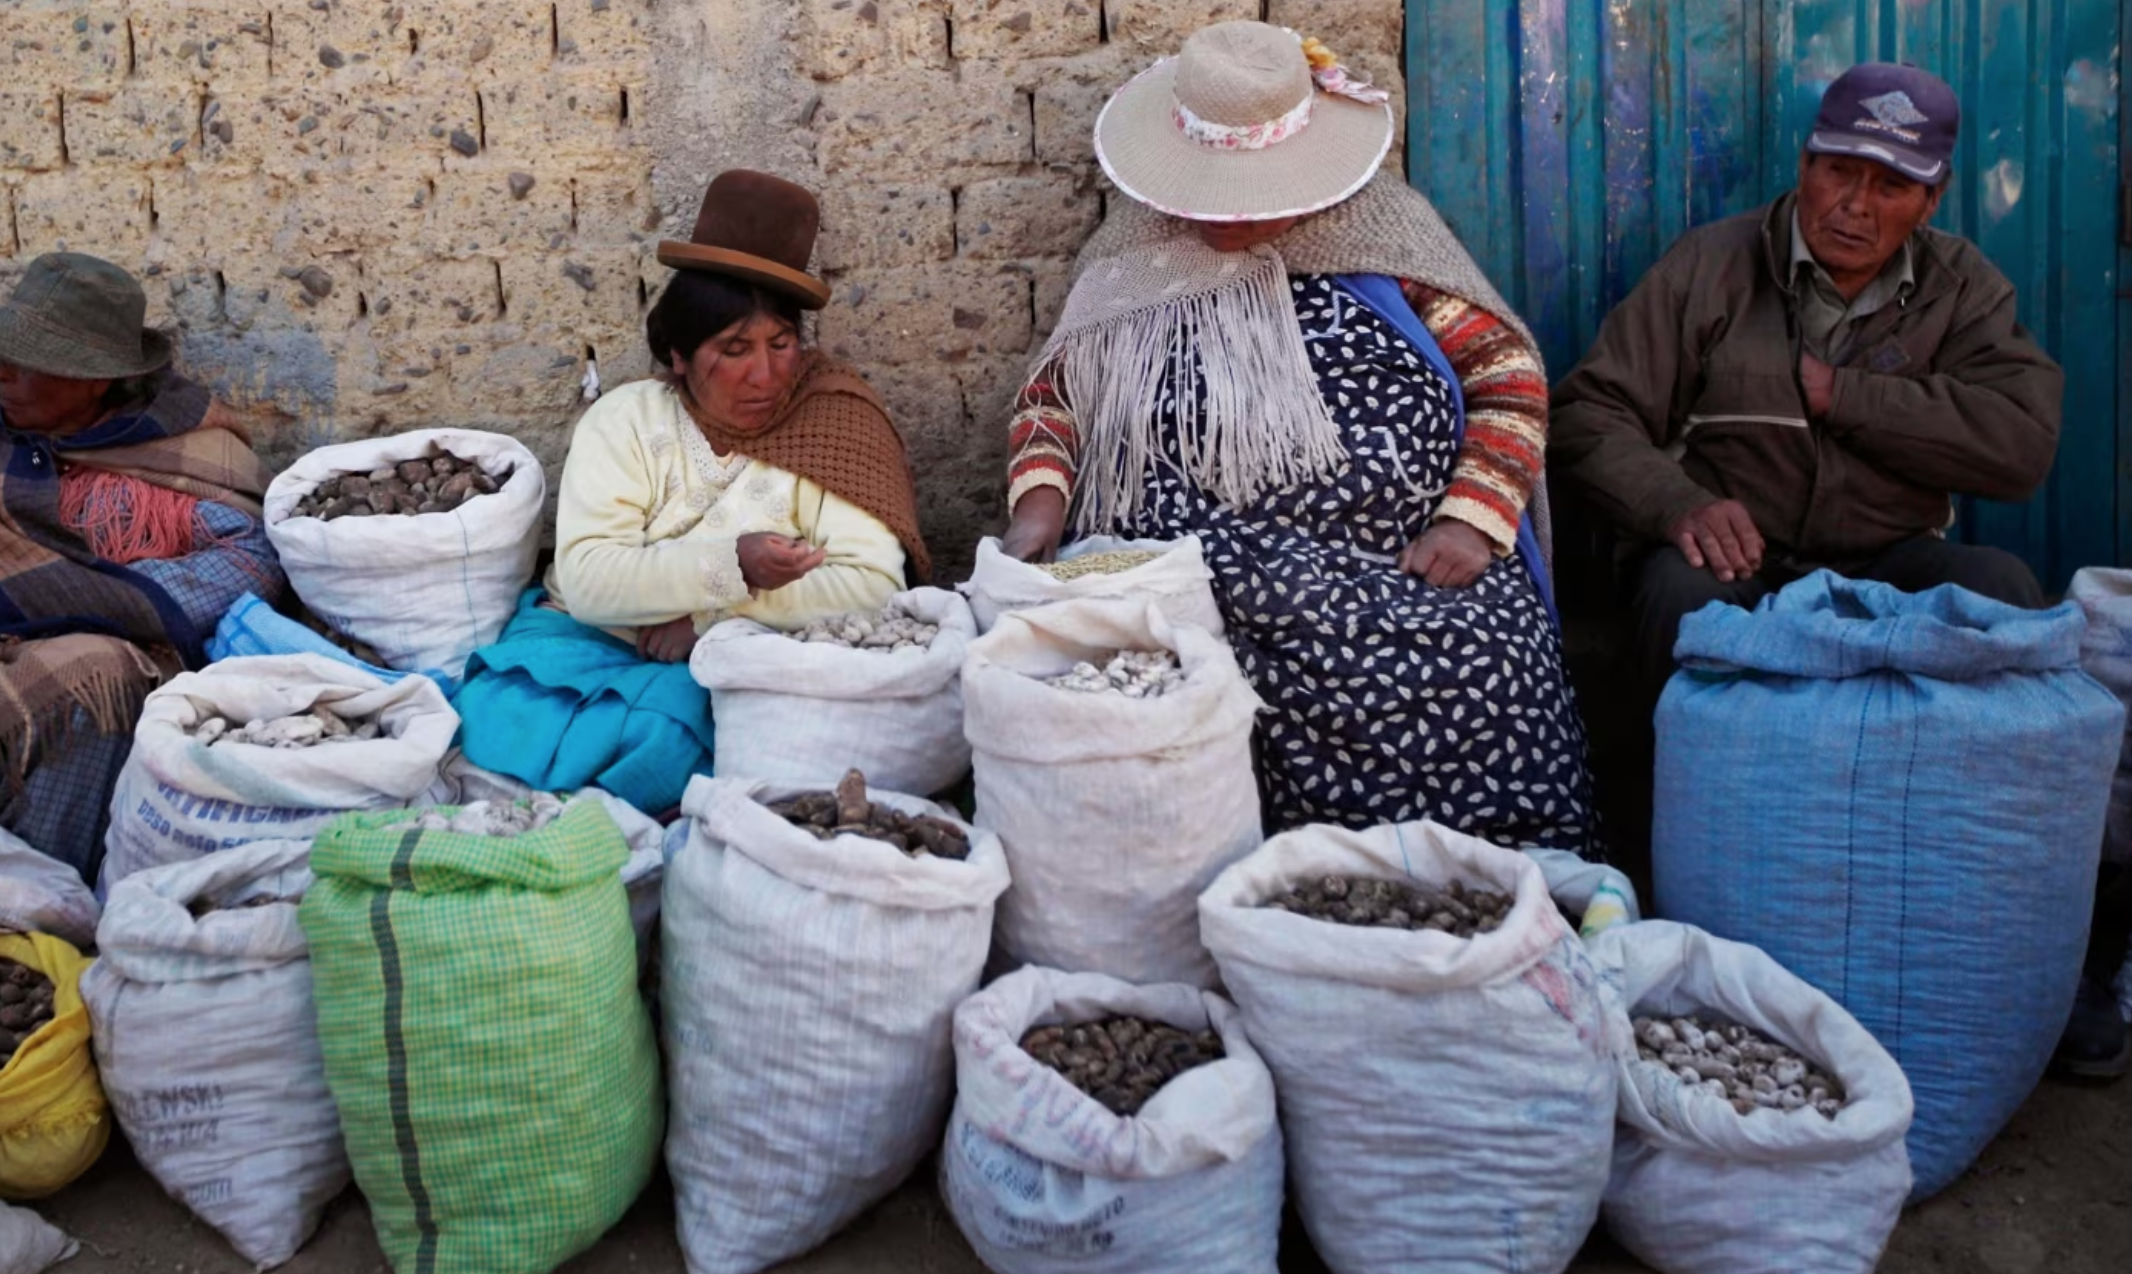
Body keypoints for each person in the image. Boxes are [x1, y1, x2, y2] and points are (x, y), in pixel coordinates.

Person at [1548, 65, 2119, 1079]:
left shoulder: (1962, 290)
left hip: (1884, 561)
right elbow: (1590, 415)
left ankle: (2037, 941)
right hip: (1740, 557)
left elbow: (2019, 446)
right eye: (1834, 171)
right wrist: (1679, 503)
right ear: (1803, 164)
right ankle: (1654, 894)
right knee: (1680, 603)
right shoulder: (1711, 267)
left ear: (1929, 198)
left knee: (2001, 592)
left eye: (1888, 186)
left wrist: (1845, 396)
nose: (1853, 205)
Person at [1000, 21, 1597, 854]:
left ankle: (1488, 880)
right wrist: (1039, 504)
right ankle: (1254, 887)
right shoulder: (1134, 249)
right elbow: (1052, 395)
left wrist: (1473, 516)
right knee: (1187, 671)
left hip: (1401, 556)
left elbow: (1505, 372)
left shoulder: (1389, 231)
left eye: (1249, 194)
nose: (1224, 216)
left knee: (1495, 649)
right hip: (1197, 564)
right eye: (1206, 191)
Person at [453, 170, 927, 816]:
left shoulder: (836, 423)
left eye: (781, 344)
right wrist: (733, 565)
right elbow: (589, 581)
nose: (765, 374)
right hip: (583, 641)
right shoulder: (626, 421)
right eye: (734, 349)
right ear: (678, 355)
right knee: (498, 710)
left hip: (727, 664)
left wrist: (711, 617)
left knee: (676, 734)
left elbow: (875, 585)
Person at [0, 253, 280, 878]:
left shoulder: (186, 451)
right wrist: (70, 604)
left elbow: (252, 564)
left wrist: (103, 606)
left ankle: (32, 880)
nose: (1, 372)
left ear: (95, 379)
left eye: (27, 362)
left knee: (97, 676)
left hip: (97, 677)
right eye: (2, 354)